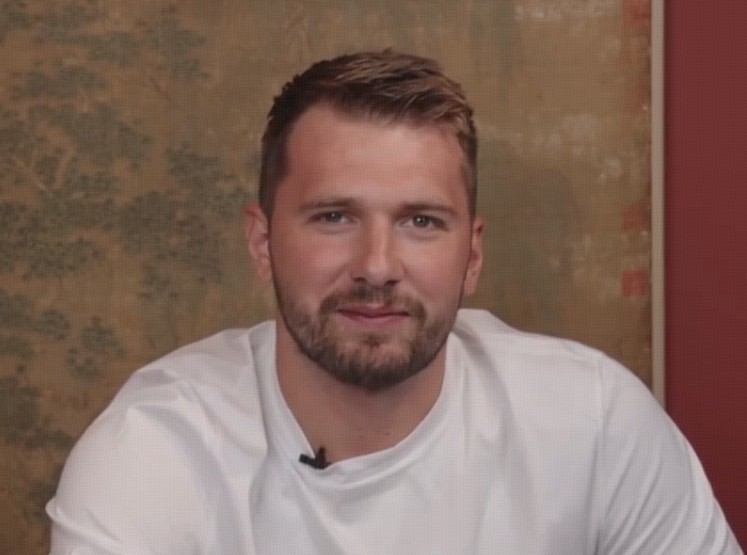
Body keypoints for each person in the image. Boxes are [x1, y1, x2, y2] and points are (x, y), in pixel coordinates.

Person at [47, 50, 742, 554]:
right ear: (261, 243)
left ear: (472, 255)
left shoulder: (593, 424)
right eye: (333, 217)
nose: (376, 266)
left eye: (421, 221)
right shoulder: (152, 454)